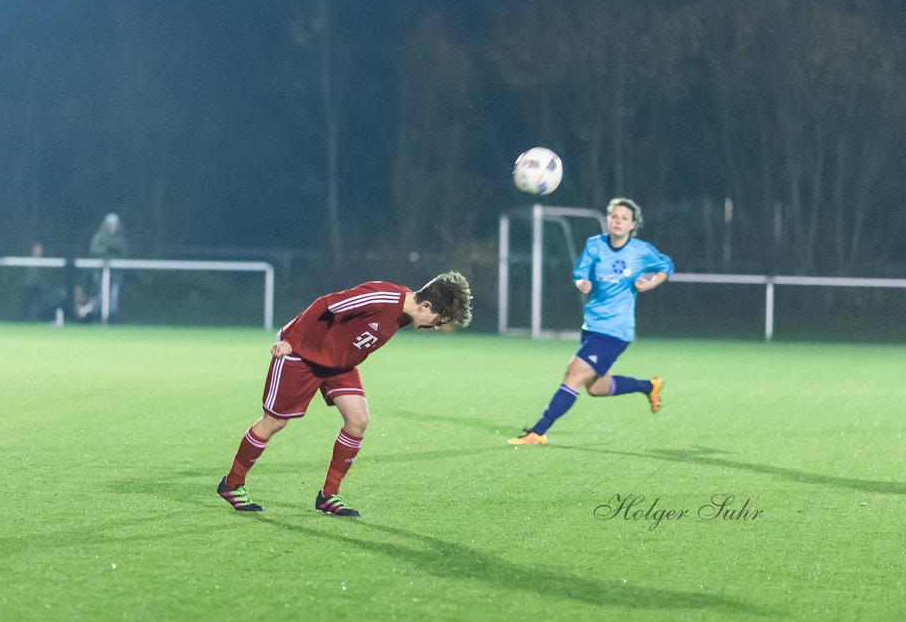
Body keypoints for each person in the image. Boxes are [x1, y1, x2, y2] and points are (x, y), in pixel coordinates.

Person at [217, 271, 474, 517]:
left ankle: (329, 495)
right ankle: (232, 483)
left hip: (338, 364)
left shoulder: (407, 313)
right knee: (275, 422)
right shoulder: (381, 297)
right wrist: (291, 342)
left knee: (358, 420)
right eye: (439, 321)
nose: (437, 327)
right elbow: (325, 303)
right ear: (426, 306)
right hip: (301, 352)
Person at [509, 197, 674, 446]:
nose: (618, 221)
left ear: (632, 225)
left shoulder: (640, 251)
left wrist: (651, 283)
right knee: (597, 388)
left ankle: (538, 431)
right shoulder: (595, 245)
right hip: (592, 327)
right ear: (608, 219)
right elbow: (579, 273)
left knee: (573, 375)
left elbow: (667, 265)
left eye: (624, 218)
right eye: (614, 216)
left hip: (615, 332)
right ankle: (649, 386)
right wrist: (580, 283)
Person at [80, 213, 129, 322]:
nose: (112, 227)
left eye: (114, 224)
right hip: (100, 272)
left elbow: (125, 254)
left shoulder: (120, 239)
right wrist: (106, 251)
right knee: (100, 295)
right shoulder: (99, 236)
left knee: (113, 296)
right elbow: (94, 250)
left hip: (116, 273)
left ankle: (113, 318)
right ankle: (95, 317)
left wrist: (116, 254)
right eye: (110, 224)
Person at [22, 241, 65, 325]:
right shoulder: (31, 261)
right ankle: (38, 318)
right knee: (39, 302)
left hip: (37, 287)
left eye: (41, 249)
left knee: (42, 302)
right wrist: (42, 284)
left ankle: (41, 317)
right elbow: (32, 277)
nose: (41, 251)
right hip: (32, 286)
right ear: (33, 250)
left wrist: (44, 284)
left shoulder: (40, 261)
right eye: (38, 249)